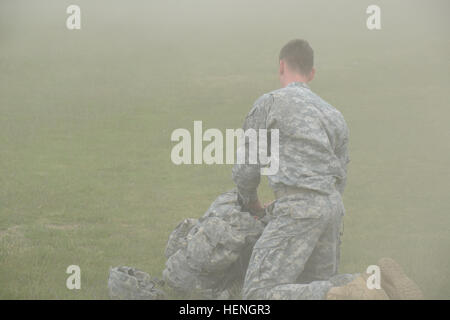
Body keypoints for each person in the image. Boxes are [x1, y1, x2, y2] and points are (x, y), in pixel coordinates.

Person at [232, 39, 355, 300]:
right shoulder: (334, 114)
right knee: (312, 284)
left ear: (281, 66)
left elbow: (246, 168)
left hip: (298, 208)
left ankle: (356, 287)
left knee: (257, 295)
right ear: (312, 73)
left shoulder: (270, 103)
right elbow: (341, 173)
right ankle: (374, 283)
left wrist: (251, 202)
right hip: (332, 207)